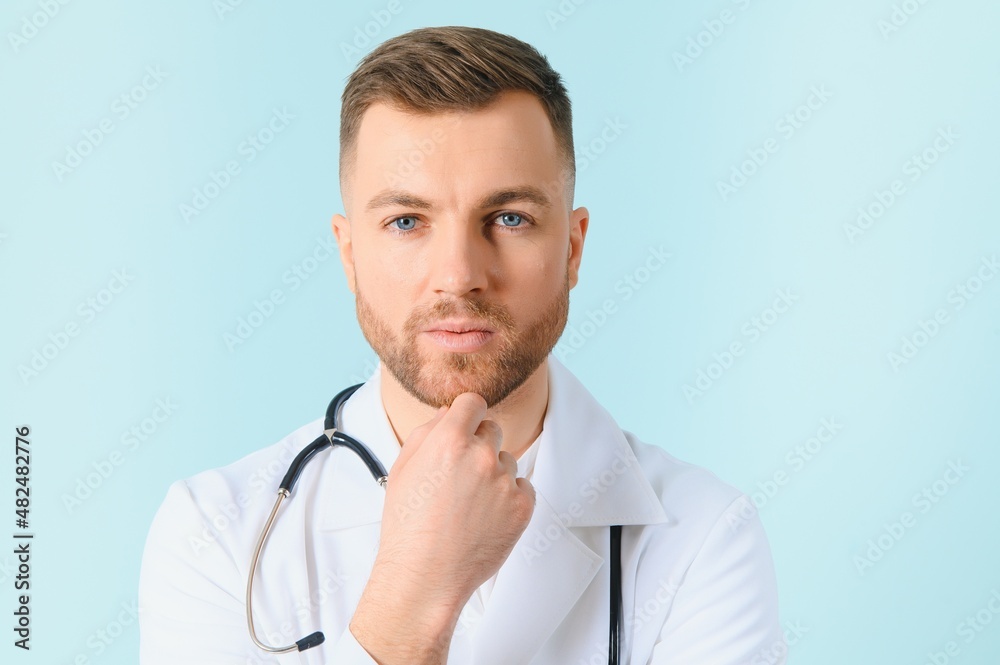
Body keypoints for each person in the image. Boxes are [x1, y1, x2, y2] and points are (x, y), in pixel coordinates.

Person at [138, 25, 785, 664]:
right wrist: (416, 596)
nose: (458, 274)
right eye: (406, 221)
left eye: (509, 218)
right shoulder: (214, 533)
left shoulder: (705, 536)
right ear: (349, 254)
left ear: (572, 248)